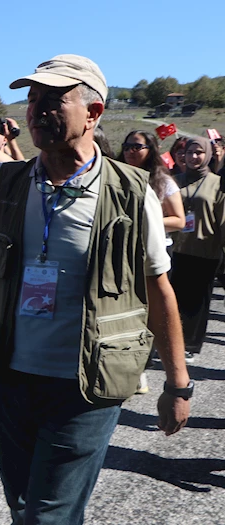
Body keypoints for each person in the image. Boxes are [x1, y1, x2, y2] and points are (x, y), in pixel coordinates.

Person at [0, 54, 191, 524]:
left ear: (94, 112)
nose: (38, 109)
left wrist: (178, 384)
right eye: (33, 99)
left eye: (54, 99)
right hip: (9, 380)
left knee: (49, 515)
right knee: (24, 506)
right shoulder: (4, 182)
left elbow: (159, 290)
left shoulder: (130, 193)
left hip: (87, 387)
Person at [118, 129, 185, 393]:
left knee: (149, 313)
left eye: (137, 146)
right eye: (127, 145)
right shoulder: (115, 175)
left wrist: (144, 223)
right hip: (121, 253)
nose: (130, 151)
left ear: (151, 150)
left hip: (153, 255)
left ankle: (141, 369)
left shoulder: (163, 181)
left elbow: (178, 220)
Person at [170, 136, 225, 362]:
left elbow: (222, 219)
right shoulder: (174, 181)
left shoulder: (217, 183)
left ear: (208, 155)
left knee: (197, 302)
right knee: (173, 299)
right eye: (190, 152)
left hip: (205, 250)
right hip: (175, 249)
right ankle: (170, 341)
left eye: (199, 153)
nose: (193, 157)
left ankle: (191, 344)